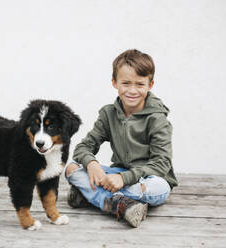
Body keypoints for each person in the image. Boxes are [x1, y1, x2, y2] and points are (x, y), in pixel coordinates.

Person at [64, 49, 178, 228]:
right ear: (114, 82)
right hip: (117, 174)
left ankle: (91, 196)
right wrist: (92, 164)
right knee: (71, 168)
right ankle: (121, 205)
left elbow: (161, 163)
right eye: (125, 83)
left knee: (158, 188)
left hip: (149, 179)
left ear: (150, 84)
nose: (132, 90)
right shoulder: (108, 114)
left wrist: (124, 179)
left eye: (140, 84)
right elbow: (83, 148)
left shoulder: (157, 119)